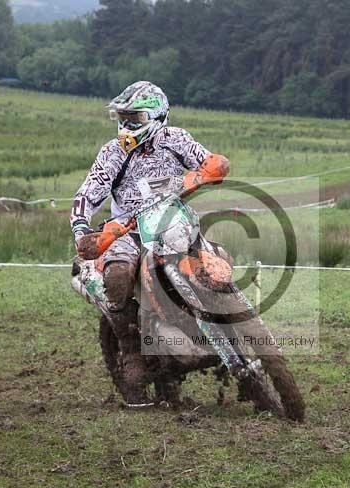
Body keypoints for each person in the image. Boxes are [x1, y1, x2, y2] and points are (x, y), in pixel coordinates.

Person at [70, 81, 230, 407]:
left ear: (157, 115)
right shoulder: (113, 152)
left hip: (173, 218)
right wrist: (83, 229)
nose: (128, 124)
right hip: (127, 230)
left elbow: (205, 160)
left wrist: (214, 165)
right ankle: (131, 350)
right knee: (117, 274)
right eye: (124, 116)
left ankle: (229, 316)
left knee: (218, 256)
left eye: (136, 117)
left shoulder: (176, 139)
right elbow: (87, 193)